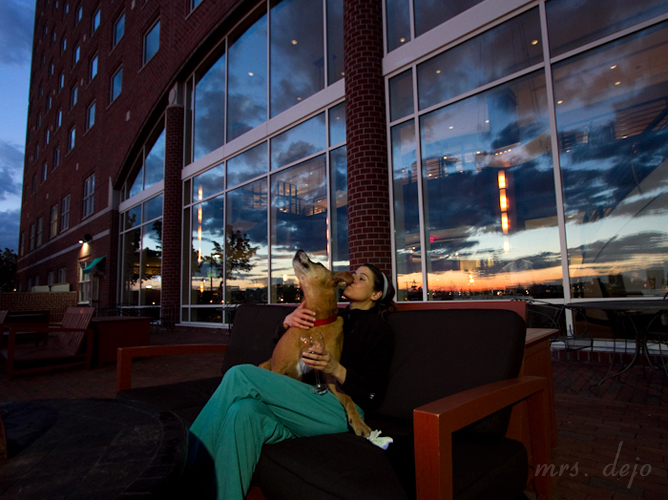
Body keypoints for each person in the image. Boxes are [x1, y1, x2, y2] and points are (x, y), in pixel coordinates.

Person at [183, 263, 396, 500]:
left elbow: (373, 395)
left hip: (340, 412)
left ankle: (183, 468)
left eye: (362, 278)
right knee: (242, 411)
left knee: (239, 375)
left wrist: (335, 368)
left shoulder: (378, 329)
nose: (353, 278)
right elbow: (288, 346)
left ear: (376, 294)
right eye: (354, 274)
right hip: (305, 405)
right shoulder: (335, 316)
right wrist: (286, 321)